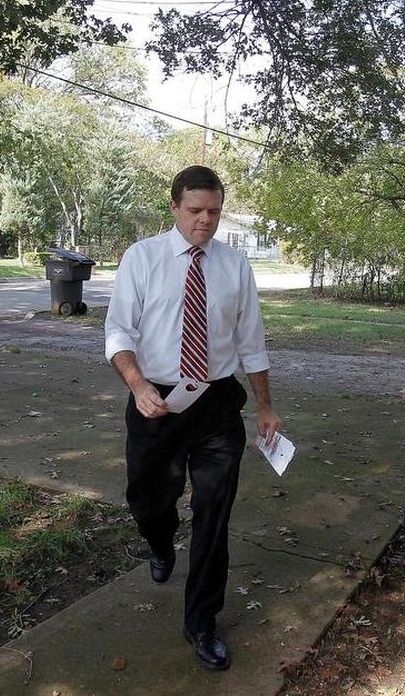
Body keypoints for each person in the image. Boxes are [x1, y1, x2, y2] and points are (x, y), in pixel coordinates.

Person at [104, 165, 282, 671]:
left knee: (214, 515)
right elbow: (119, 333)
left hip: (218, 404)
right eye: (196, 210)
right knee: (148, 499)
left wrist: (265, 405)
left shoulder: (234, 266)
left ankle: (202, 622)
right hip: (155, 401)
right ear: (175, 207)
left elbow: (251, 342)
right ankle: (159, 542)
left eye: (215, 212)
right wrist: (138, 385)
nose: (206, 221)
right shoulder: (142, 259)